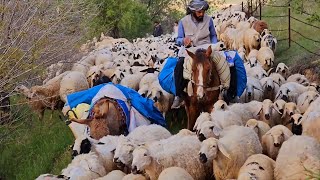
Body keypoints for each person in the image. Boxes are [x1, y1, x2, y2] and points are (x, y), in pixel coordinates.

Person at [171, 0, 218, 108]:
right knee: (179, 65)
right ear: (193, 12)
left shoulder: (209, 20)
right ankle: (178, 95)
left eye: (203, 12)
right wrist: (183, 40)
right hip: (191, 50)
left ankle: (229, 91)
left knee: (226, 63)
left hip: (206, 48)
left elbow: (213, 35)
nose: (201, 14)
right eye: (199, 12)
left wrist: (214, 45)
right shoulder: (183, 21)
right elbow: (178, 39)